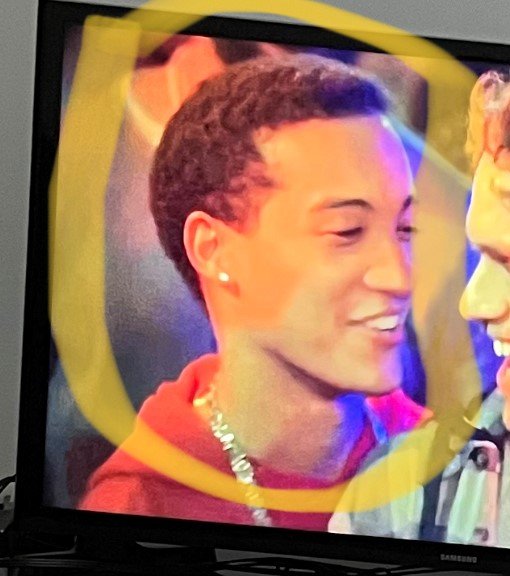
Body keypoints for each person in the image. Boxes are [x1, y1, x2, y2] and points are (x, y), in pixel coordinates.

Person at [79, 54, 428, 529]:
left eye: (405, 228)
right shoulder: (139, 508)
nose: (399, 277)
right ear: (215, 250)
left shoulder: (457, 469)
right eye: (347, 230)